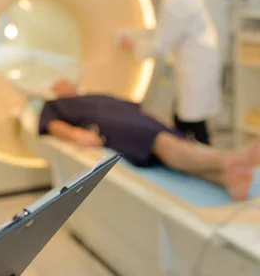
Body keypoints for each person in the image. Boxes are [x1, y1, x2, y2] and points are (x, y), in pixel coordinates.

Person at [39, 80, 260, 201]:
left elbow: (138, 109)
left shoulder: (98, 95)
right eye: (59, 83)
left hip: (139, 120)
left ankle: (227, 178)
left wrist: (161, 121)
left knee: (177, 149)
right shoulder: (54, 105)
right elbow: (52, 125)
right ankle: (233, 158)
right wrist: (78, 135)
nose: (66, 83)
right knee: (163, 144)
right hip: (116, 126)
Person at [121, 0, 221, 145]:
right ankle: (193, 154)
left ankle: (203, 159)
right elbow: (165, 30)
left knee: (191, 118)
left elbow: (160, 43)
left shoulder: (174, 2)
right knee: (187, 114)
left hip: (195, 61)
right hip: (200, 55)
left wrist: (134, 45)